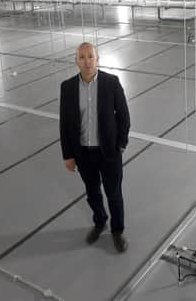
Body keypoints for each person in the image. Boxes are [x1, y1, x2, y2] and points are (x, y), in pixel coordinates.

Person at [59, 42, 130, 253]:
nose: (87, 61)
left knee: (114, 193)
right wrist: (68, 155)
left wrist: (121, 144)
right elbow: (64, 124)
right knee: (92, 193)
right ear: (76, 61)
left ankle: (117, 231)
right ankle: (100, 221)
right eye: (82, 57)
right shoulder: (67, 88)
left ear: (97, 59)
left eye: (90, 56)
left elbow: (124, 117)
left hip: (109, 153)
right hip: (83, 154)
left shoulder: (111, 83)